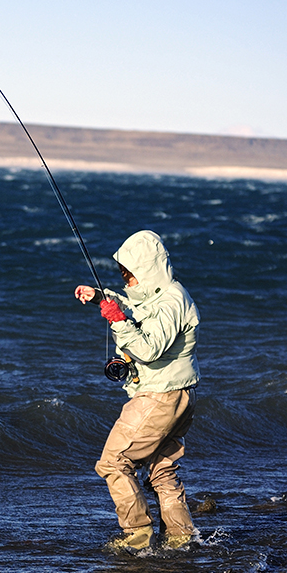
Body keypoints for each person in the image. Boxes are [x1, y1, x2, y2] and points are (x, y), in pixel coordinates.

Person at [74, 230, 200, 551]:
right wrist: (104, 297)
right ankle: (181, 537)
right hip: (179, 394)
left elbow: (148, 348)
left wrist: (117, 321)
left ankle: (138, 534)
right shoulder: (163, 294)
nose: (128, 282)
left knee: (114, 462)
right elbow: (139, 305)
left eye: (129, 276)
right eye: (125, 277)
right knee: (162, 469)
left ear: (147, 271)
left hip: (160, 396)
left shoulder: (173, 300)